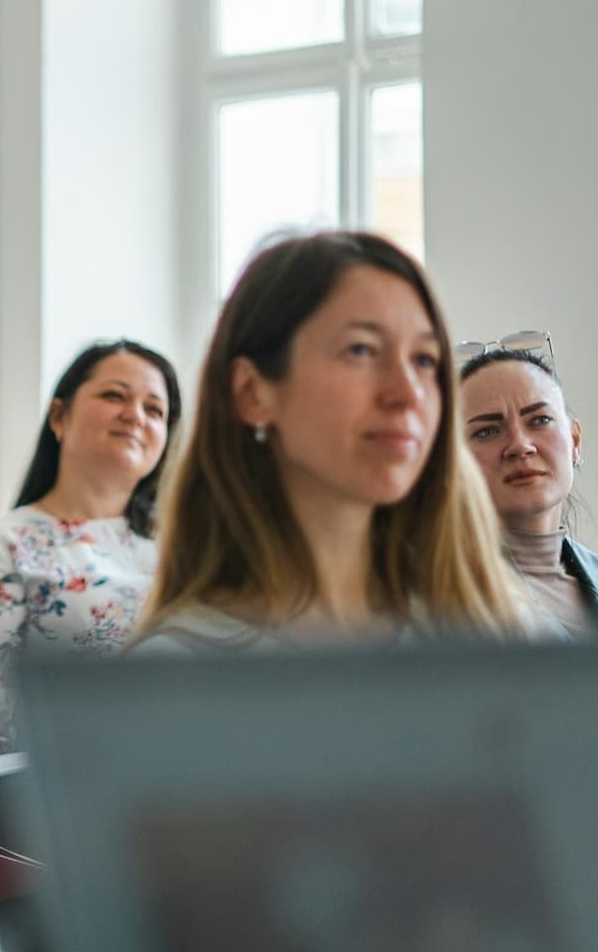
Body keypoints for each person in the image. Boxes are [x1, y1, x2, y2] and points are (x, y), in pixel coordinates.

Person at [130, 231, 533, 653]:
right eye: (361, 350)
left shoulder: (493, 628)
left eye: (424, 359)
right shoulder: (178, 665)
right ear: (251, 393)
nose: (408, 392)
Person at [0, 340, 181, 745]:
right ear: (58, 416)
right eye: (114, 396)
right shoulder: (2, 548)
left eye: (154, 410)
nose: (135, 416)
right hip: (75, 766)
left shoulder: (186, 551)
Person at [458, 344, 597, 633]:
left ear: (575, 440)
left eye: (540, 420)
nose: (520, 445)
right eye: (487, 431)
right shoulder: (431, 599)